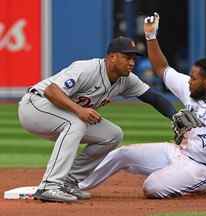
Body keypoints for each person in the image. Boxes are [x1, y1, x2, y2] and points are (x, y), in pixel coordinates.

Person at [77, 13, 206, 200]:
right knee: (121, 154)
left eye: (194, 77)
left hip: (205, 168)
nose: (189, 80)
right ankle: (76, 185)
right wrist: (151, 36)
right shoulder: (189, 90)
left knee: (152, 187)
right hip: (177, 153)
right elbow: (161, 68)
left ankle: (197, 184)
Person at [18, 36, 177, 202]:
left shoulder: (127, 80)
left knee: (112, 135)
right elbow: (51, 91)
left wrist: (174, 116)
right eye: (127, 57)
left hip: (60, 113)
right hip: (35, 106)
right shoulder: (87, 69)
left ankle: (68, 181)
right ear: (112, 57)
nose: (132, 62)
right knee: (75, 122)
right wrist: (79, 110)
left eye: (134, 58)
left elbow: (154, 98)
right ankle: (49, 186)